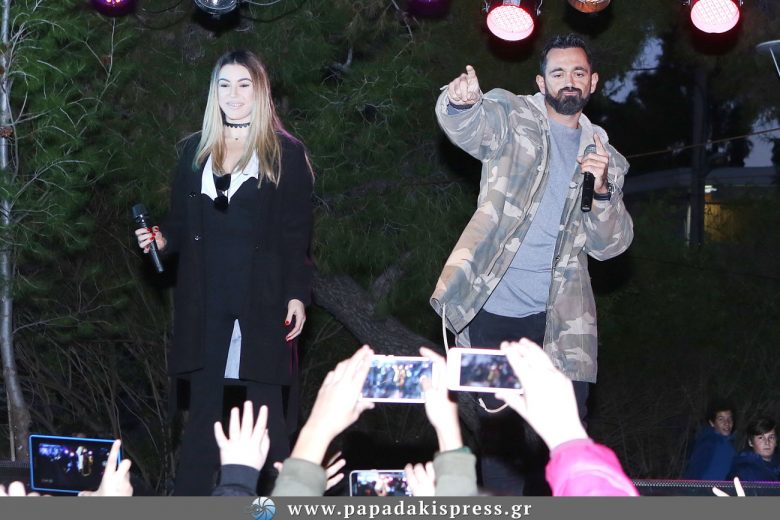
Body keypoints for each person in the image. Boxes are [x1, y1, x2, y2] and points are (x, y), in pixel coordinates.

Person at [430, 33, 633, 494]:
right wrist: (460, 101)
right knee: (499, 432)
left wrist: (602, 188)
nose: (569, 80)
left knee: (567, 429)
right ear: (541, 82)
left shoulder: (608, 159)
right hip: (492, 307)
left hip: (562, 318)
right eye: (558, 72)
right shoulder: (512, 115)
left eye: (578, 72)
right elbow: (468, 125)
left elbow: (611, 245)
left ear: (593, 83)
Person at [135, 49, 314, 495]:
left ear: (260, 91)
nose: (233, 94)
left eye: (243, 85)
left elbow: (296, 235)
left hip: (262, 299)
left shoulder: (286, 153)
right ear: (214, 92)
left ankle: (279, 505)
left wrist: (297, 293)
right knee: (202, 421)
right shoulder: (193, 151)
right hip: (204, 299)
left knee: (267, 418)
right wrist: (160, 240)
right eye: (224, 85)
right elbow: (179, 225)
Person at [683, 400, 736, 480]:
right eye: (721, 419)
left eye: (729, 419)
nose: (727, 423)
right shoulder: (708, 444)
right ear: (712, 423)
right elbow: (694, 473)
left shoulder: (730, 447)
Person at [729, 416, 780, 481]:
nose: (767, 442)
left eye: (771, 437)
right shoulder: (742, 471)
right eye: (761, 438)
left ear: (776, 442)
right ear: (750, 442)